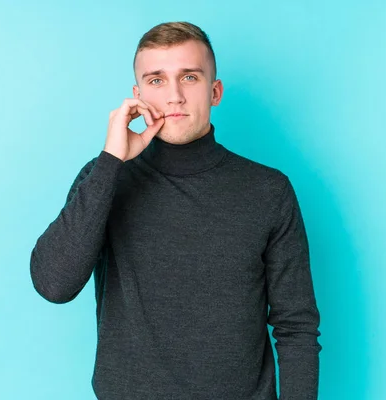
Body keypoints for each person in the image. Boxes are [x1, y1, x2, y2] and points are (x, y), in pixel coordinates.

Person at [30, 21, 322, 400]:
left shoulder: (269, 191)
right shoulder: (105, 178)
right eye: (156, 80)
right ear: (136, 96)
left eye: (189, 77)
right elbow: (54, 285)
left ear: (214, 91)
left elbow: (296, 325)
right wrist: (110, 160)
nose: (175, 97)